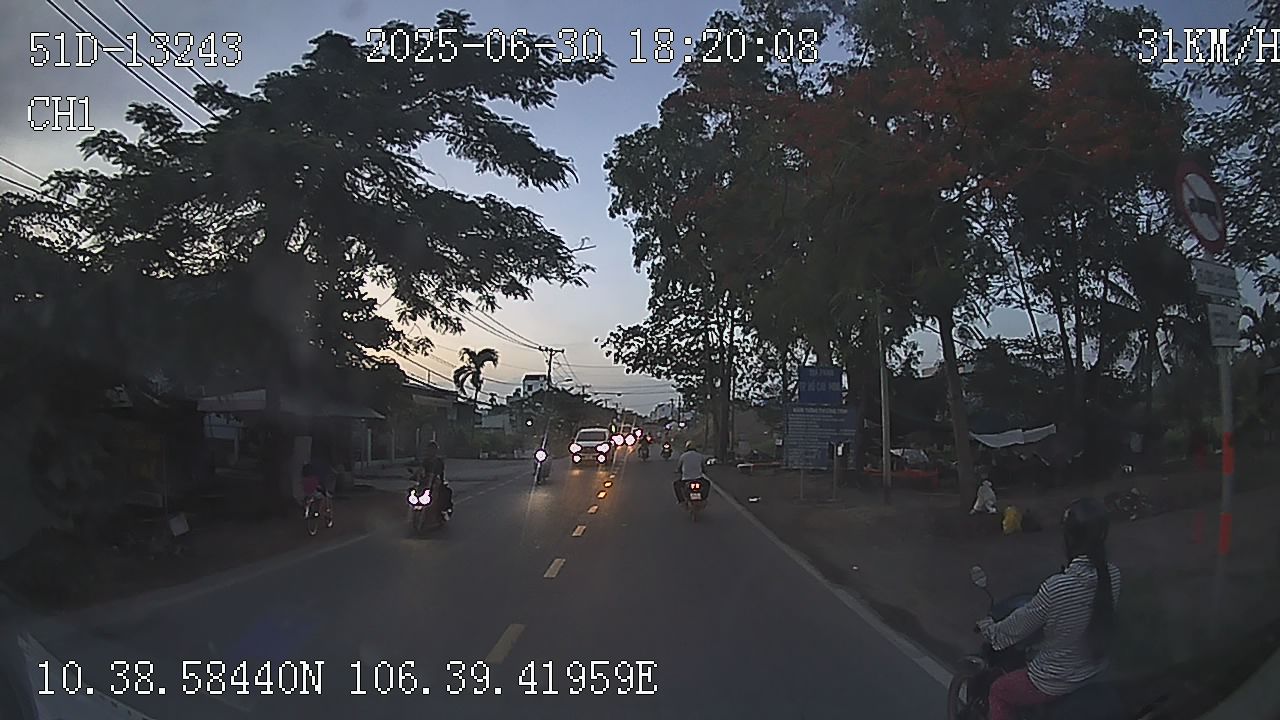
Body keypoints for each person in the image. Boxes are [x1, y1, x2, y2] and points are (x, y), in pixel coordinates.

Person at [977, 497, 1121, 720]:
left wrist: (990, 629)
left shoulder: (1057, 587)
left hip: (1053, 681)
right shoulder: (1112, 576)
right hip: (1095, 670)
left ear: (1069, 538)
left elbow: (1018, 626)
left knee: (998, 691)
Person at [417, 442, 453, 518]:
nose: (431, 451)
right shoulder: (425, 461)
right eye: (429, 449)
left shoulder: (439, 461)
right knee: (413, 492)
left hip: (435, 481)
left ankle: (444, 510)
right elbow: (421, 470)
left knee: (445, 492)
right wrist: (417, 475)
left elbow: (441, 472)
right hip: (425, 481)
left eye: (433, 449)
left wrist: (440, 480)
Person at [301, 462, 333, 527]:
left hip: (308, 494)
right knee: (322, 499)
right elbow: (319, 487)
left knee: (308, 499)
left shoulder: (304, 479)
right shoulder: (315, 478)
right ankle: (323, 514)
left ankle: (308, 510)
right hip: (316, 494)